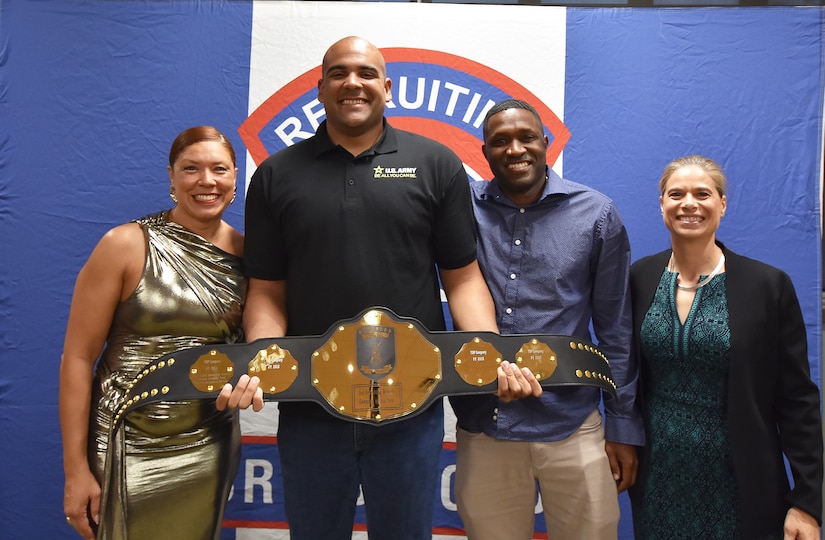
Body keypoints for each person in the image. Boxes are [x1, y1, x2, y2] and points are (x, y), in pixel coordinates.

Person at [223, 36, 540, 540]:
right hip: (311, 409)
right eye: (339, 73)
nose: (353, 83)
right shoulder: (276, 176)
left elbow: (461, 279)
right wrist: (262, 357)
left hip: (411, 407)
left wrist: (492, 352)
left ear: (386, 88)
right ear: (320, 88)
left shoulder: (435, 163)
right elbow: (266, 290)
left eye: (367, 73)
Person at [448, 99, 644, 539]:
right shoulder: (460, 209)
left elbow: (615, 331)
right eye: (501, 141)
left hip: (573, 425)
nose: (515, 149)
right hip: (485, 424)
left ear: (546, 144)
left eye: (526, 138)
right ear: (484, 151)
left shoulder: (596, 214)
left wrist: (623, 426)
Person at [59, 126, 245, 540]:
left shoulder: (250, 257)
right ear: (172, 177)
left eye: (219, 169)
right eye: (191, 168)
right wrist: (75, 471)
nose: (206, 181)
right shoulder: (124, 244)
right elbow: (76, 358)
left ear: (236, 178)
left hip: (208, 446)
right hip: (123, 440)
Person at [628, 155, 823, 539]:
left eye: (703, 193)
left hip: (741, 477)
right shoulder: (639, 278)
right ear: (662, 204)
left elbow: (798, 400)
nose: (689, 203)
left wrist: (807, 503)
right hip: (658, 476)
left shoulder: (767, 286)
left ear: (722, 204)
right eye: (676, 194)